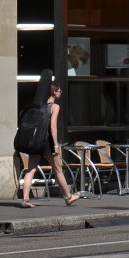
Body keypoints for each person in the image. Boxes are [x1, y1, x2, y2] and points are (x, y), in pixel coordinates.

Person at [19, 70, 80, 208]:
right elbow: (53, 127)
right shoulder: (55, 107)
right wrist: (56, 145)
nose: (61, 93)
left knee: (30, 169)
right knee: (58, 170)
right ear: (54, 92)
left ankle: (25, 199)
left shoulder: (38, 105)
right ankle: (68, 197)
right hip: (47, 142)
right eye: (59, 91)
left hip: (35, 141)